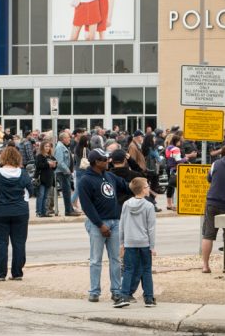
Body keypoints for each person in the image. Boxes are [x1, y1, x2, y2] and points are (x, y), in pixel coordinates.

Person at [77, 148, 130, 304]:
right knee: (95, 259)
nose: (108, 161)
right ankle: (94, 291)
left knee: (115, 259)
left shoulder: (109, 176)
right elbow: (87, 206)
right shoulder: (85, 180)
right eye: (105, 159)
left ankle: (116, 291)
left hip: (115, 221)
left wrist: (140, 186)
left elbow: (127, 187)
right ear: (96, 162)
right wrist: (100, 224)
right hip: (97, 224)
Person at [0, 146, 32, 281]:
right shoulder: (23, 173)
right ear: (17, 158)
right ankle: (17, 273)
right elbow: (31, 190)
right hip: (20, 211)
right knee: (19, 243)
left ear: (2, 157)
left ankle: (0, 274)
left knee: (1, 243)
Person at [116, 177, 157, 308]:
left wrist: (121, 243)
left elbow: (121, 225)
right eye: (147, 186)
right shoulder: (149, 206)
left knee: (128, 269)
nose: (149, 188)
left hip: (129, 242)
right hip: (144, 242)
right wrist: (152, 246)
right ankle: (149, 298)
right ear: (143, 190)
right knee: (146, 270)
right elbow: (151, 228)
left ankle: (124, 296)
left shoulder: (126, 204)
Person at [54, 131, 80, 216]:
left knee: (68, 192)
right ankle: (68, 211)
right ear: (63, 139)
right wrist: (67, 170)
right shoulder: (60, 147)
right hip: (63, 173)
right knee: (66, 192)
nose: (70, 139)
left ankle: (70, 209)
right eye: (68, 137)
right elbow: (60, 162)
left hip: (65, 172)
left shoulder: (64, 146)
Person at [33, 140, 57, 217]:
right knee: (41, 196)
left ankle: (45, 212)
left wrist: (54, 165)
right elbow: (38, 165)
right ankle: (39, 212)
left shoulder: (51, 156)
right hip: (41, 179)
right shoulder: (39, 156)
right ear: (42, 147)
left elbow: (54, 167)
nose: (47, 148)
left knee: (46, 197)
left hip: (49, 179)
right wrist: (48, 164)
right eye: (46, 146)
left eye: (49, 146)